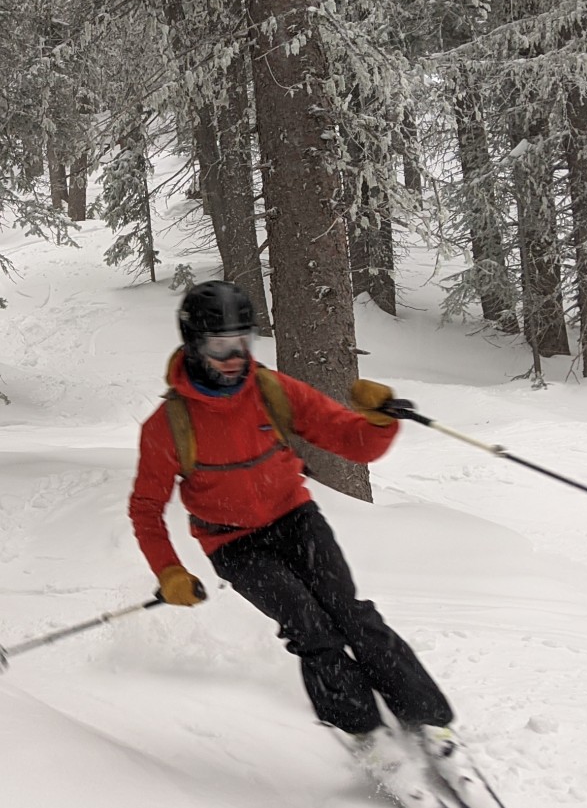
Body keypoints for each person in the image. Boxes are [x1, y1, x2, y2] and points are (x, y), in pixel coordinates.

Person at [127, 279, 456, 758]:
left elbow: (352, 441)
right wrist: (169, 571)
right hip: (233, 543)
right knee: (310, 627)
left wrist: (380, 421)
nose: (234, 357)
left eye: (242, 342)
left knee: (351, 614)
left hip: (295, 519)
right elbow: (145, 508)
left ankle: (428, 721)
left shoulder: (271, 390)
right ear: (194, 345)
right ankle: (366, 735)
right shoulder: (168, 425)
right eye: (220, 346)